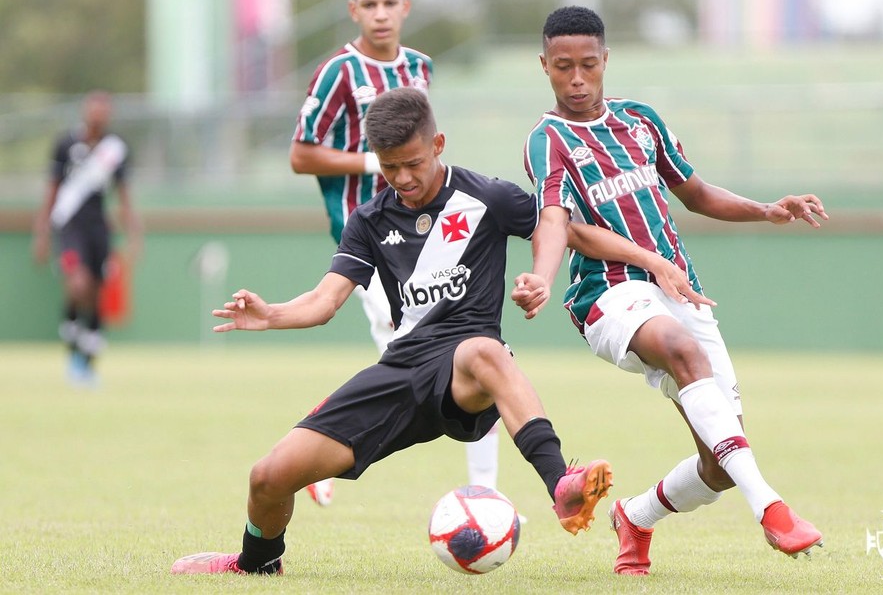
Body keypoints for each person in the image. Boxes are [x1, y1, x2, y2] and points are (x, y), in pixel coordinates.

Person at [170, 87, 631, 576]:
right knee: (267, 477)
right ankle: (257, 563)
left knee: (485, 351)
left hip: (463, 371)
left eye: (413, 163)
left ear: (438, 145)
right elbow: (325, 301)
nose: (403, 178)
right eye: (390, 167)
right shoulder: (369, 220)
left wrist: (543, 275)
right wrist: (272, 315)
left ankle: (560, 484)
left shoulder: (489, 197)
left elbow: (556, 226)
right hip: (401, 369)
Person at [513, 6, 828, 576]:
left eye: (588, 65)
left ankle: (634, 516)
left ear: (606, 60)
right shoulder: (548, 140)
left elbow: (696, 191)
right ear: (544, 67)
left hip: (679, 289)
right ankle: (774, 510)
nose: (577, 79)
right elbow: (562, 221)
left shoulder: (640, 120)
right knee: (683, 350)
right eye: (564, 68)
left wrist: (768, 210)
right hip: (607, 295)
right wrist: (542, 274)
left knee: (718, 465)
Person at [288, 0, 502, 506]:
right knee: (425, 359)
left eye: (390, 4)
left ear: (405, 8)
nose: (380, 14)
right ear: (353, 10)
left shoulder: (420, 67)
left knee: (466, 354)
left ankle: (485, 494)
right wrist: (371, 163)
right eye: (370, 5)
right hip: (376, 244)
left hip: (433, 233)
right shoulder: (339, 72)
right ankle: (319, 438)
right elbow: (300, 155)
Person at [31, 90, 141, 386]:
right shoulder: (66, 143)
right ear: (84, 111)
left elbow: (124, 194)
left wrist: (133, 233)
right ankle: (72, 344)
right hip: (69, 226)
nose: (98, 115)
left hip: (98, 228)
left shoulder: (115, 148)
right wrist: (41, 232)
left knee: (95, 292)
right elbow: (52, 189)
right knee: (77, 284)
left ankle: (87, 361)